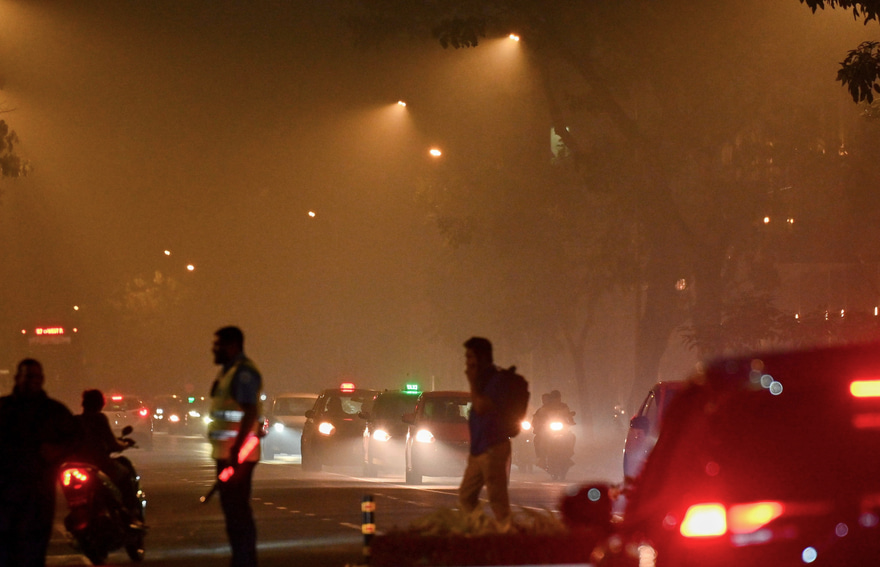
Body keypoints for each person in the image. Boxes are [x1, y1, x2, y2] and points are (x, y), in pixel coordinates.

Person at [0, 359, 79, 567]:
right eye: (28, 376)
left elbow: (75, 439)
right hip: (6, 494)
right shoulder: (4, 408)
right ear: (17, 378)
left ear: (42, 379)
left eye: (35, 377)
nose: (31, 381)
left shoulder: (53, 412)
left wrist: (57, 451)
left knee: (33, 551)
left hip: (38, 495)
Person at [209, 326, 263, 567]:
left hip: (238, 456)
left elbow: (249, 412)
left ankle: (245, 561)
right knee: (232, 513)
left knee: (238, 513)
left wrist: (236, 450)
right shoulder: (228, 373)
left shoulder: (243, 373)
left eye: (218, 345)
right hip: (228, 453)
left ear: (232, 346)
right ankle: (242, 559)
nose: (214, 350)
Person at [458, 337, 512, 523]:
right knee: (466, 496)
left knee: (497, 500)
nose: (467, 362)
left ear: (482, 357)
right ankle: (484, 529)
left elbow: (482, 407)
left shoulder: (496, 380)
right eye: (466, 357)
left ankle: (506, 533)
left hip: (493, 446)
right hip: (479, 449)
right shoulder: (482, 380)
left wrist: (472, 382)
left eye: (470, 357)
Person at [74, 389, 142, 527]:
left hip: (78, 465)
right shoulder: (99, 419)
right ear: (100, 404)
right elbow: (112, 442)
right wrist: (124, 444)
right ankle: (131, 511)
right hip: (99, 463)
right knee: (126, 474)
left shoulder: (76, 420)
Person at [532, 389, 575, 470]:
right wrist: (538, 424)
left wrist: (571, 421)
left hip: (562, 429)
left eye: (558, 398)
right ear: (552, 399)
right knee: (538, 439)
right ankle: (542, 458)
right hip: (548, 430)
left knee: (572, 437)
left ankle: (569, 454)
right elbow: (537, 417)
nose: (557, 400)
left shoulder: (564, 406)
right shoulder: (545, 407)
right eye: (555, 398)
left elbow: (568, 415)